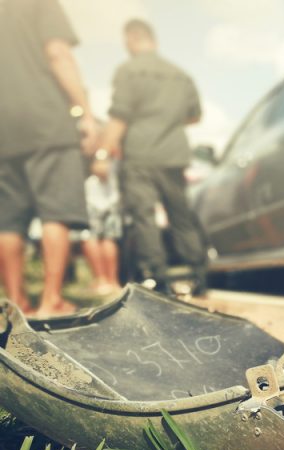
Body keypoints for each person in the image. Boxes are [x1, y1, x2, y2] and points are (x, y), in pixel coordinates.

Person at [92, 19, 207, 294]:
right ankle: (198, 276)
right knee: (181, 216)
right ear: (153, 39)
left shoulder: (128, 70)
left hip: (140, 156)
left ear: (131, 39)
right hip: (173, 155)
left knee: (144, 217)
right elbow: (194, 115)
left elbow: (119, 116)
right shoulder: (180, 74)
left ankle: (156, 279)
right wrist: (166, 122)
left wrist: (102, 154)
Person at [0, 0, 98, 316]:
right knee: (56, 209)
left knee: (7, 218)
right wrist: (85, 112)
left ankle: (16, 303)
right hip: (45, 117)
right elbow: (58, 54)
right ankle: (51, 300)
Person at [82, 139, 123, 296]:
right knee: (108, 239)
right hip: (111, 202)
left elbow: (101, 166)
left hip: (93, 203)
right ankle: (111, 281)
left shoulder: (99, 147)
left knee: (92, 238)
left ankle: (103, 280)